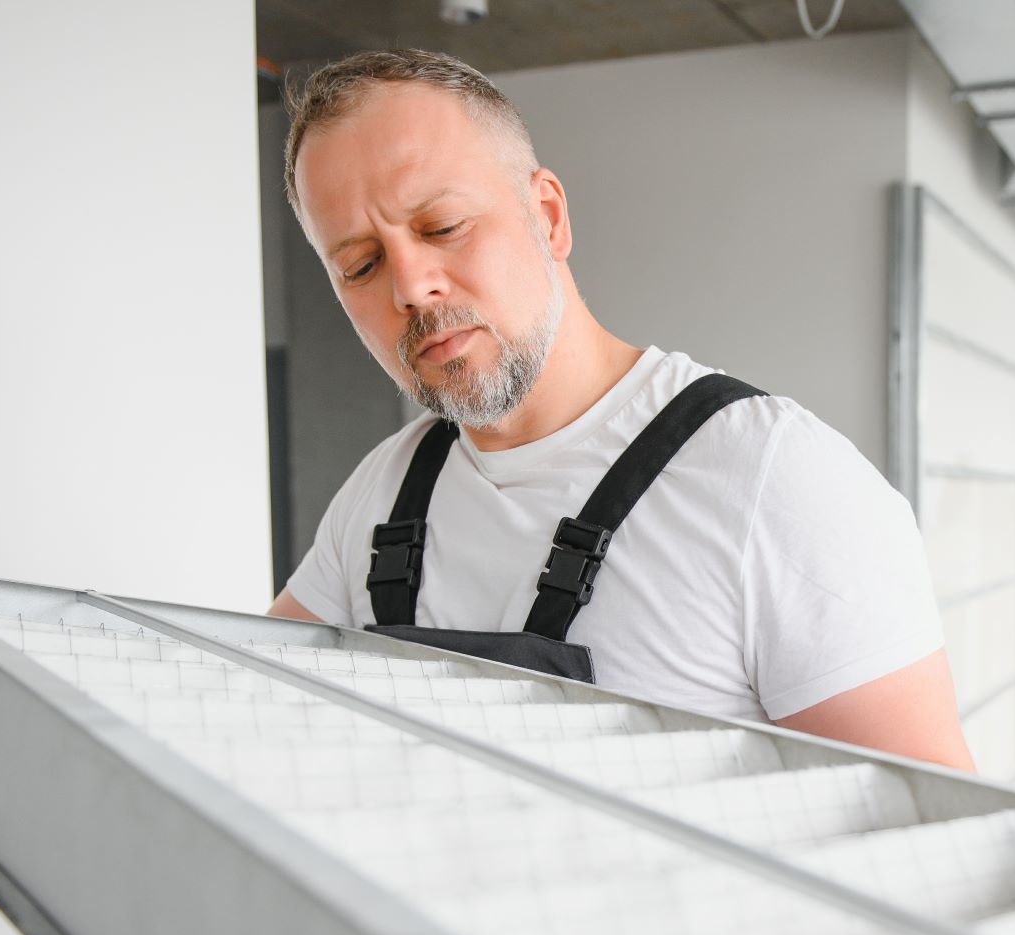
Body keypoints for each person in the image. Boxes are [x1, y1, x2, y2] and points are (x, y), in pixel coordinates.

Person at [269, 49, 973, 771]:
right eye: (359, 265)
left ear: (547, 217)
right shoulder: (381, 495)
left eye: (443, 226)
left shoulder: (778, 482)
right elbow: (249, 703)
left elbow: (929, 837)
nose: (410, 287)